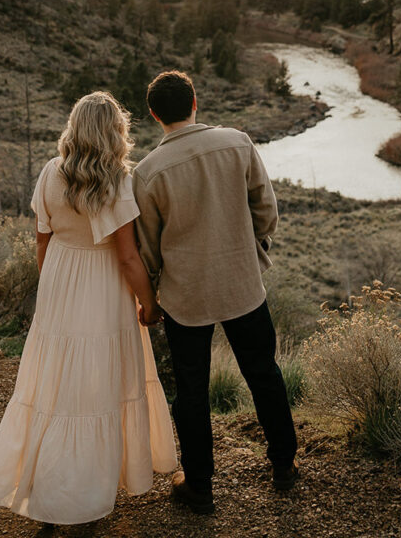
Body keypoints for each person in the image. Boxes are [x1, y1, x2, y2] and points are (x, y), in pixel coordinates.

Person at [0, 92, 177, 526]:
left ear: (74, 127)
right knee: (98, 385)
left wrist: (51, 288)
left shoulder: (51, 171)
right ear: (114, 133)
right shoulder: (117, 180)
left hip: (60, 278)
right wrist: (150, 304)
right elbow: (127, 258)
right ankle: (82, 499)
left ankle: (50, 492)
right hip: (102, 285)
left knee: (55, 387)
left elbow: (42, 239)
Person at [132, 70, 297, 515]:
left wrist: (153, 293)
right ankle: (284, 465)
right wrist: (253, 247)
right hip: (244, 284)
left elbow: (146, 247)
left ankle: (200, 486)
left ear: (153, 115)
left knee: (191, 390)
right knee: (263, 373)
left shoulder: (147, 174)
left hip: (187, 297)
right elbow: (266, 208)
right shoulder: (237, 142)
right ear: (195, 102)